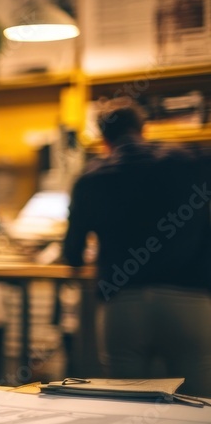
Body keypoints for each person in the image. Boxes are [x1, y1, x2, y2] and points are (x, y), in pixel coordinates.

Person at [63, 100, 211, 397]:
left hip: (124, 304)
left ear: (104, 140)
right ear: (143, 128)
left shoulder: (91, 177)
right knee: (200, 406)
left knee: (127, 404)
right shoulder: (195, 161)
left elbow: (73, 254)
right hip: (191, 302)